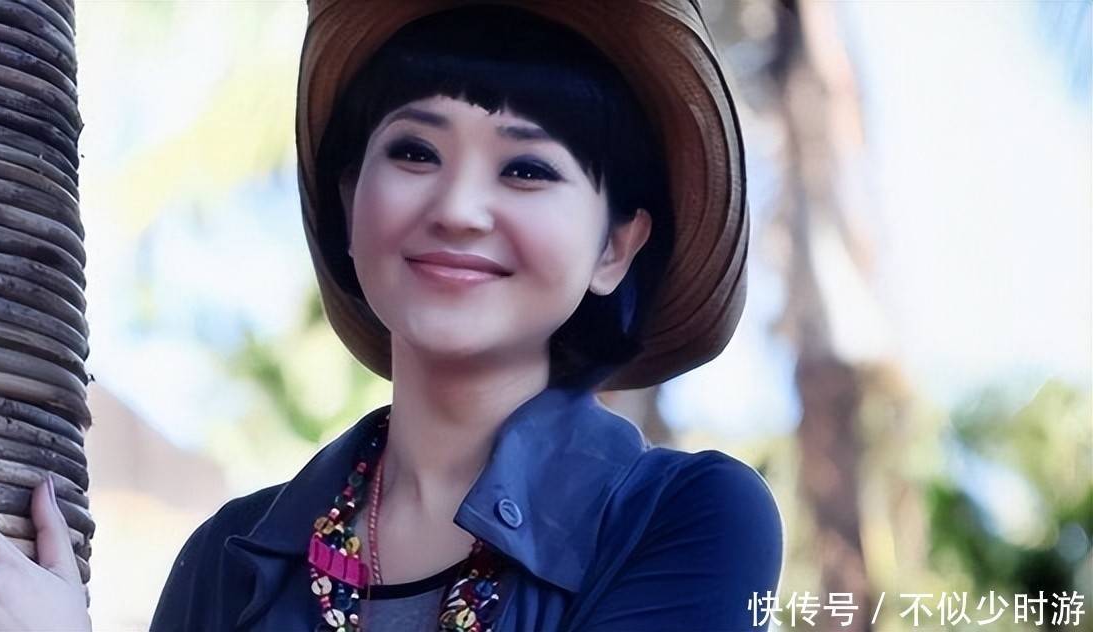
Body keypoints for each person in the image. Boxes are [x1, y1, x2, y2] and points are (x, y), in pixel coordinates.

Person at [151, 2, 782, 631]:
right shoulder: (225, 559)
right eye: (415, 153)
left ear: (614, 248)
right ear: (349, 204)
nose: (457, 210)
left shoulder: (687, 517)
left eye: (526, 169)